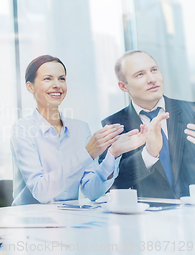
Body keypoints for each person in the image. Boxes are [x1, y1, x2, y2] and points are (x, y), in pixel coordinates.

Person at [11, 55, 148, 204]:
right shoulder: (23, 129)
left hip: (68, 220)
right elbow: (41, 192)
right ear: (30, 86)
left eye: (61, 78)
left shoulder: (80, 129)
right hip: (30, 221)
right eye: (48, 79)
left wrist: (113, 154)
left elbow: (92, 191)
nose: (57, 85)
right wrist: (87, 153)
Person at [99, 50, 195, 198]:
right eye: (140, 74)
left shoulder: (192, 112)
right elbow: (107, 186)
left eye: (154, 70)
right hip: (147, 217)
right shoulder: (113, 125)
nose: (152, 79)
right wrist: (148, 156)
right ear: (123, 86)